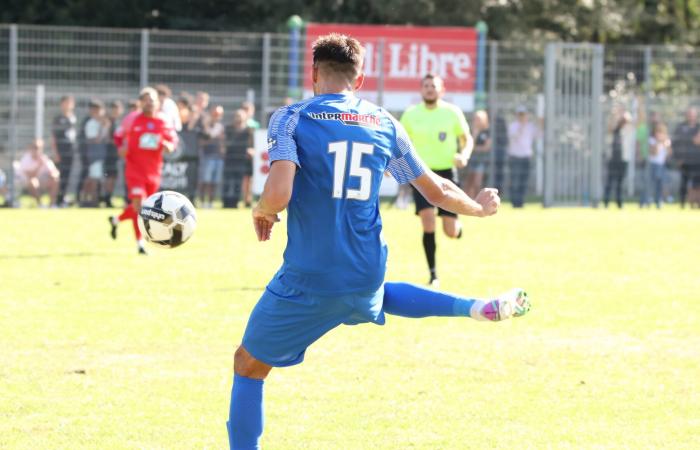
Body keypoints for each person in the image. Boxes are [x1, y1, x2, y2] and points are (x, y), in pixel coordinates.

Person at [226, 33, 531, 450]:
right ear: (361, 78)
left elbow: (278, 193)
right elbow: (437, 190)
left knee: (248, 365)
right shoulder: (383, 122)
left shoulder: (291, 118)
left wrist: (263, 211)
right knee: (373, 293)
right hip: (366, 267)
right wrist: (478, 208)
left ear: (314, 74)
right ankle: (474, 307)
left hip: (310, 275)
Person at [399, 74, 473, 287]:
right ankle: (433, 275)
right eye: (426, 86)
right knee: (428, 221)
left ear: (442, 90)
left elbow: (466, 138)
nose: (430, 89)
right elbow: (399, 142)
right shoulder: (411, 115)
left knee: (450, 232)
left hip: (447, 173)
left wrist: (464, 155)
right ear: (421, 90)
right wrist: (390, 163)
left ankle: (457, 227)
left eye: (434, 86)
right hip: (421, 174)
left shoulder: (452, 112)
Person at [108, 87, 177, 254]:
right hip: (134, 169)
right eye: (146, 99)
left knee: (141, 207)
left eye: (152, 99)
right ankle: (141, 244)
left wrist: (169, 146)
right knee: (140, 205)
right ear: (140, 102)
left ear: (158, 102)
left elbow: (172, 140)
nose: (149, 102)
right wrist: (120, 147)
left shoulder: (163, 121)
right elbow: (117, 136)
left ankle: (116, 220)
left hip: (153, 171)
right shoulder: (131, 119)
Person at [507, 106, 540, 208]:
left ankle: (520, 202)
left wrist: (541, 124)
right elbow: (514, 136)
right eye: (520, 115)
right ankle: (514, 202)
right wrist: (521, 126)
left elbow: (539, 135)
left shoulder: (530, 126)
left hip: (526, 157)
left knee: (523, 181)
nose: (522, 117)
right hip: (515, 156)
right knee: (515, 180)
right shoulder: (513, 126)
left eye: (523, 114)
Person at [80, 99, 109, 207]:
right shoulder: (91, 123)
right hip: (94, 154)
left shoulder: (100, 123)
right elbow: (95, 139)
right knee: (93, 178)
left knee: (94, 177)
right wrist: (103, 128)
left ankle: (87, 198)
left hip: (100, 154)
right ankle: (92, 200)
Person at [222, 109, 254, 208]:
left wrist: (251, 150)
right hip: (229, 159)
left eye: (240, 116)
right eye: (237, 116)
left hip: (242, 160)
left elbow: (252, 144)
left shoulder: (248, 130)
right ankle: (225, 203)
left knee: (238, 183)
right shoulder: (228, 128)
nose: (238, 118)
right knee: (227, 182)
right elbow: (223, 141)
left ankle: (235, 203)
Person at [50, 95, 77, 206]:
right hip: (60, 151)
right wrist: (56, 153)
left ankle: (62, 198)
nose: (68, 105)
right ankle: (55, 199)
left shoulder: (73, 118)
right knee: (58, 176)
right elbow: (53, 137)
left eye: (70, 103)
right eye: (66, 103)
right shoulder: (58, 119)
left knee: (67, 176)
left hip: (70, 151)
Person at [15, 139, 60, 207]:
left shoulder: (44, 158)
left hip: (41, 180)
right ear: (30, 148)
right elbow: (30, 176)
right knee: (33, 182)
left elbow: (54, 171)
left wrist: (53, 175)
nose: (36, 150)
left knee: (55, 179)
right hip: (25, 182)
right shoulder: (26, 159)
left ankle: (52, 204)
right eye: (35, 147)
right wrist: (39, 165)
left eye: (38, 148)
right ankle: (40, 204)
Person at [604, 110, 633, 209]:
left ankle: (619, 202)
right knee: (609, 181)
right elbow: (610, 126)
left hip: (623, 159)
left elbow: (632, 123)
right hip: (613, 159)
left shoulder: (628, 130)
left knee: (620, 183)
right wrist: (615, 114)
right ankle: (606, 202)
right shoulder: (614, 130)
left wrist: (625, 116)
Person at [672, 107, 700, 208]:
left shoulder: (698, 127)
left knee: (697, 184)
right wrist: (678, 158)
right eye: (689, 114)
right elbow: (675, 143)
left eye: (693, 114)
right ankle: (682, 203)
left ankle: (696, 204)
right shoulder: (680, 127)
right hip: (684, 161)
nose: (691, 116)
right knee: (683, 183)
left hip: (697, 161)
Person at [198, 105, 226, 208]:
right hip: (207, 156)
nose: (217, 116)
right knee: (205, 181)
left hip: (218, 157)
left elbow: (222, 142)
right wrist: (213, 138)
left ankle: (210, 203)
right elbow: (201, 142)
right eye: (215, 114)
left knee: (214, 182)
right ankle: (201, 202)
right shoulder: (204, 126)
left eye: (219, 114)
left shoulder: (221, 127)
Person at [461, 109, 491, 198]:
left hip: (482, 160)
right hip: (471, 160)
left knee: (477, 182)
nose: (477, 121)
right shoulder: (471, 131)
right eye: (476, 119)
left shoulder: (487, 132)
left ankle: (478, 200)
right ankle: (467, 200)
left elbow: (486, 147)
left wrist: (474, 148)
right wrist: (475, 133)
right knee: (469, 182)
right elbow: (468, 145)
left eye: (479, 119)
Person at [102, 100, 124, 208]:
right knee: (109, 176)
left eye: (118, 108)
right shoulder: (109, 121)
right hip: (110, 152)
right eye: (114, 108)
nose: (116, 111)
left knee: (114, 176)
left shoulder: (121, 122)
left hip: (117, 153)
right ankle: (106, 197)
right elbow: (106, 138)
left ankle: (108, 196)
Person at [647, 122, 672, 208]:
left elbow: (669, 153)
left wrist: (666, 145)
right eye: (657, 132)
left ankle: (659, 201)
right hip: (653, 164)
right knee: (650, 184)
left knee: (661, 184)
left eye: (661, 132)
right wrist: (658, 142)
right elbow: (654, 153)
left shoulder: (666, 141)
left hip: (662, 165)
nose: (659, 134)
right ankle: (647, 200)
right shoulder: (652, 140)